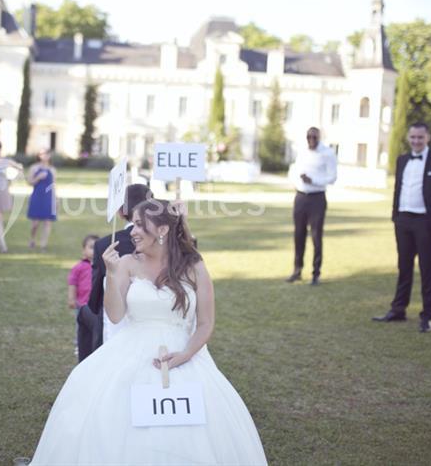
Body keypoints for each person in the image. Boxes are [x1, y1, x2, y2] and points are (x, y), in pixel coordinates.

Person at [30, 199, 268, 464]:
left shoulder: (194, 265)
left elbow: (205, 323)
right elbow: (115, 315)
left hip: (183, 353)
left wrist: (186, 355)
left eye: (140, 225)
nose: (132, 231)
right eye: (133, 224)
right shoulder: (127, 263)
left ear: (163, 230)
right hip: (131, 349)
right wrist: (111, 274)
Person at [373, 122, 431, 332]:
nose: (416, 141)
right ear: (408, 138)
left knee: (427, 269)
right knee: (404, 267)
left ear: (428, 137)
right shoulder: (402, 160)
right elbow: (398, 189)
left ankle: (426, 316)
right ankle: (398, 310)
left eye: (420, 137)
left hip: (426, 222)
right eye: (413, 137)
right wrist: (395, 216)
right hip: (403, 220)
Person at [78, 183, 152, 361]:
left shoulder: (105, 245)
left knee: (85, 313)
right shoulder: (163, 240)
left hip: (117, 316)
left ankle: (88, 364)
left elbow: (96, 296)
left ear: (120, 212)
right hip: (152, 309)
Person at [286, 126, 337, 285]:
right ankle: (297, 270)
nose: (311, 140)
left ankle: (316, 273)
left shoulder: (327, 153)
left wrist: (313, 181)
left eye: (314, 137)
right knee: (298, 235)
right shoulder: (302, 151)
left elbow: (332, 178)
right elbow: (294, 170)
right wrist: (296, 181)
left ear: (319, 137)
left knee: (316, 236)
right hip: (301, 197)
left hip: (317, 198)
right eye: (309, 137)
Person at [68, 234, 99, 355]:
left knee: (95, 326)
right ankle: (79, 343)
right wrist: (71, 298)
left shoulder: (101, 266)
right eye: (91, 247)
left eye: (96, 248)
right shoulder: (79, 267)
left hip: (96, 305)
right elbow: (72, 283)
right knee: (80, 326)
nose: (94, 251)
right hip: (82, 304)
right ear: (83, 250)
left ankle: (94, 343)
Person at [27, 148, 57, 250]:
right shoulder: (34, 168)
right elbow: (29, 182)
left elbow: (53, 185)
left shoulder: (52, 169)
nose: (44, 155)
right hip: (37, 196)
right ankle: (32, 239)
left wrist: (56, 199)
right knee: (35, 223)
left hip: (48, 197)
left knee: (47, 222)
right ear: (39, 156)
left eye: (46, 153)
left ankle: (43, 244)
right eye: (42, 153)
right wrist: (38, 178)